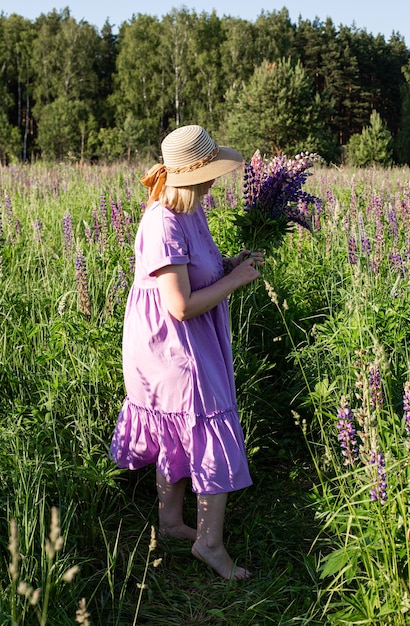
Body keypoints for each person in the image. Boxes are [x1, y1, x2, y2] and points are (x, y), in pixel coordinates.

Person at [110, 124, 264, 580]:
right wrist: (234, 282)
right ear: (193, 175)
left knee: (176, 430)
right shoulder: (162, 222)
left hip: (177, 344)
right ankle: (210, 544)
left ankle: (172, 522)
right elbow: (179, 305)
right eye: (211, 171)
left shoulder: (191, 209)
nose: (217, 179)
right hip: (172, 349)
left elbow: (198, 274)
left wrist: (230, 265)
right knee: (207, 426)